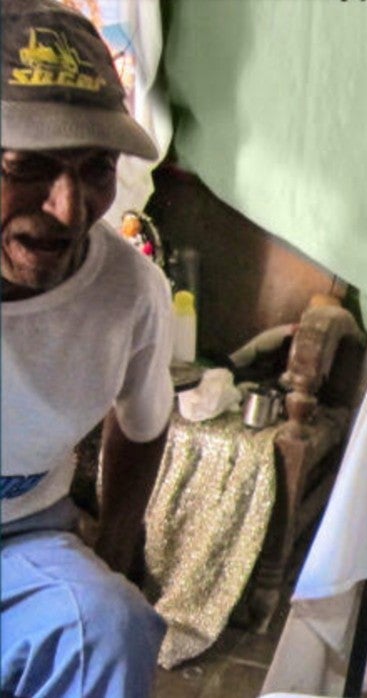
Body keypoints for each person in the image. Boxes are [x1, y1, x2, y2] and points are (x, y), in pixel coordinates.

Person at [1, 0, 172, 695]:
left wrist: (113, 555)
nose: (69, 209)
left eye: (96, 167)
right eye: (30, 166)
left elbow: (143, 426)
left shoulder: (127, 292)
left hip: (20, 540)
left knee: (106, 624)